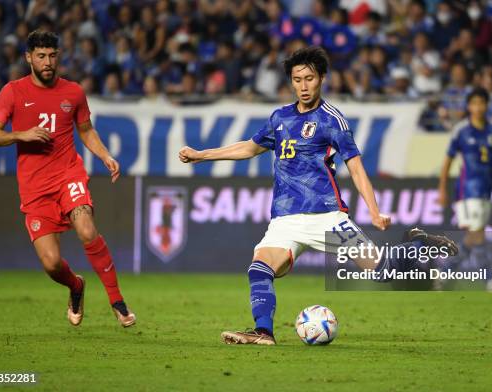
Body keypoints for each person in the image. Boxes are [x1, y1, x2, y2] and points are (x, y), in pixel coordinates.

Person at [179, 46, 457, 345]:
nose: (303, 85)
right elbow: (249, 147)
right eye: (297, 79)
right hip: (285, 220)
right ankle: (263, 333)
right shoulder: (280, 118)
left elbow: (357, 168)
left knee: (383, 271)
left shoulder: (331, 119)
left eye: (309, 78)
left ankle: (416, 242)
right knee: (259, 268)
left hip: (327, 216)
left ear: (321, 78)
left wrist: (374, 211)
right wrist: (202, 155)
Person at [0, 30, 136, 327]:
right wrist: (21, 134)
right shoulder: (12, 92)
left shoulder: (73, 92)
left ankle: (117, 301)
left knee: (86, 228)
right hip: (34, 187)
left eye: (53, 56)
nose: (48, 62)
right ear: (29, 58)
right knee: (52, 264)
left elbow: (85, 129)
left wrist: (105, 155)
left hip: (68, 173)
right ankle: (76, 286)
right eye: (41, 56)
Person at [438, 88, 492, 292]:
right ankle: (488, 280)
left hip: (486, 190)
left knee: (471, 238)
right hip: (467, 190)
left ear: (487, 106)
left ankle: (444, 273)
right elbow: (447, 161)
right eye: (474, 103)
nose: (478, 107)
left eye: (482, 103)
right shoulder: (462, 131)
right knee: (477, 233)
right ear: (469, 106)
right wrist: (442, 189)